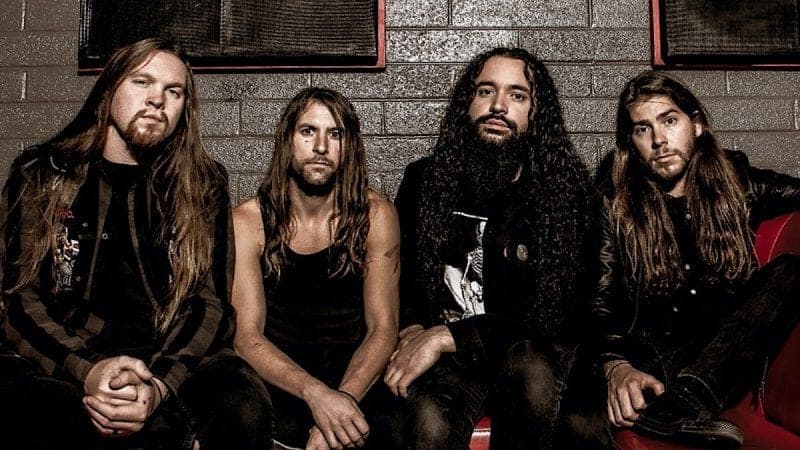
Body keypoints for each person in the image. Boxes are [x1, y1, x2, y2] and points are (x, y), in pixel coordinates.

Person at [0, 38, 271, 450]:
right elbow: (20, 298)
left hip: (167, 355)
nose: (157, 99)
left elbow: (209, 304)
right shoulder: (42, 173)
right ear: (110, 89)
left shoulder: (203, 184)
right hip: (68, 354)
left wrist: (160, 384)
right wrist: (89, 370)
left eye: (173, 91)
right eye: (142, 82)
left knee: (244, 405)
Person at [387, 47, 591, 449]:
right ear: (467, 103)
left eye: (517, 95)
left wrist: (446, 337)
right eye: (486, 91)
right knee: (426, 420)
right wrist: (411, 331)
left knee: (532, 371)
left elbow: (559, 314)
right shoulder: (424, 180)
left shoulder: (562, 193)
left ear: (536, 113)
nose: (498, 106)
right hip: (450, 365)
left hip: (524, 357)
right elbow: (402, 281)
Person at [589, 71, 800, 447]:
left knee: (793, 271)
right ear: (631, 143)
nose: (658, 140)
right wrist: (615, 366)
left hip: (726, 353)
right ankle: (676, 408)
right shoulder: (614, 200)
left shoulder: (736, 179)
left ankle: (682, 406)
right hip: (657, 359)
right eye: (642, 129)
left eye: (669, 121)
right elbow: (600, 299)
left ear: (697, 125)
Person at [231, 87, 400, 450]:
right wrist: (317, 395)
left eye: (334, 134)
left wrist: (342, 403)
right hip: (280, 381)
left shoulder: (376, 215)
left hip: (355, 379)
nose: (321, 146)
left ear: (348, 146)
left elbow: (383, 329)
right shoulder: (248, 220)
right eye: (308, 131)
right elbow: (247, 336)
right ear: (287, 140)